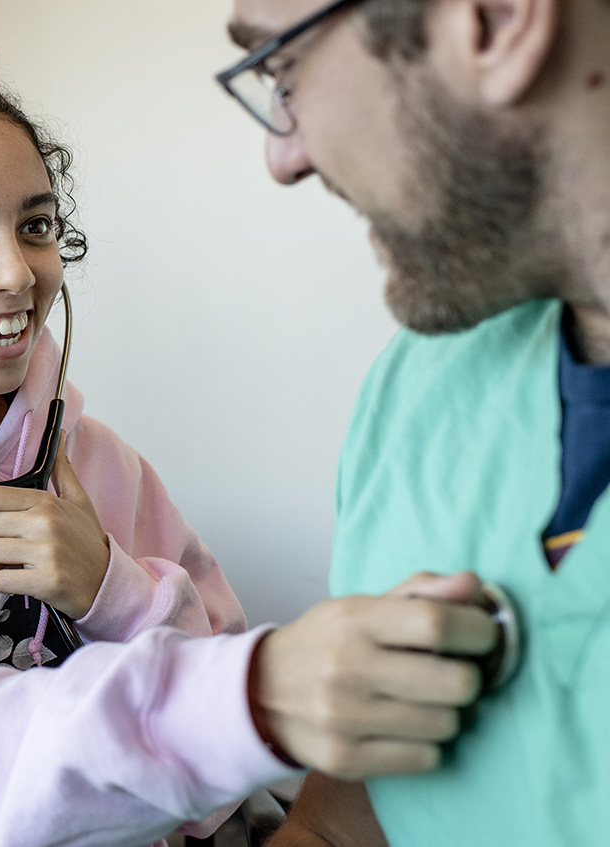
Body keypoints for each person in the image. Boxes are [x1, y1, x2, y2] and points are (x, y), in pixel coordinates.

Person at [0, 64, 500, 847]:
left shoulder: (98, 461)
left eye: (35, 226)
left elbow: (216, 795)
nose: (16, 272)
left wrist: (113, 586)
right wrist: (252, 700)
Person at [216, 0, 610, 844]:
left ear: (497, 21)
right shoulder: (420, 384)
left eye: (282, 69)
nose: (281, 157)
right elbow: (339, 822)